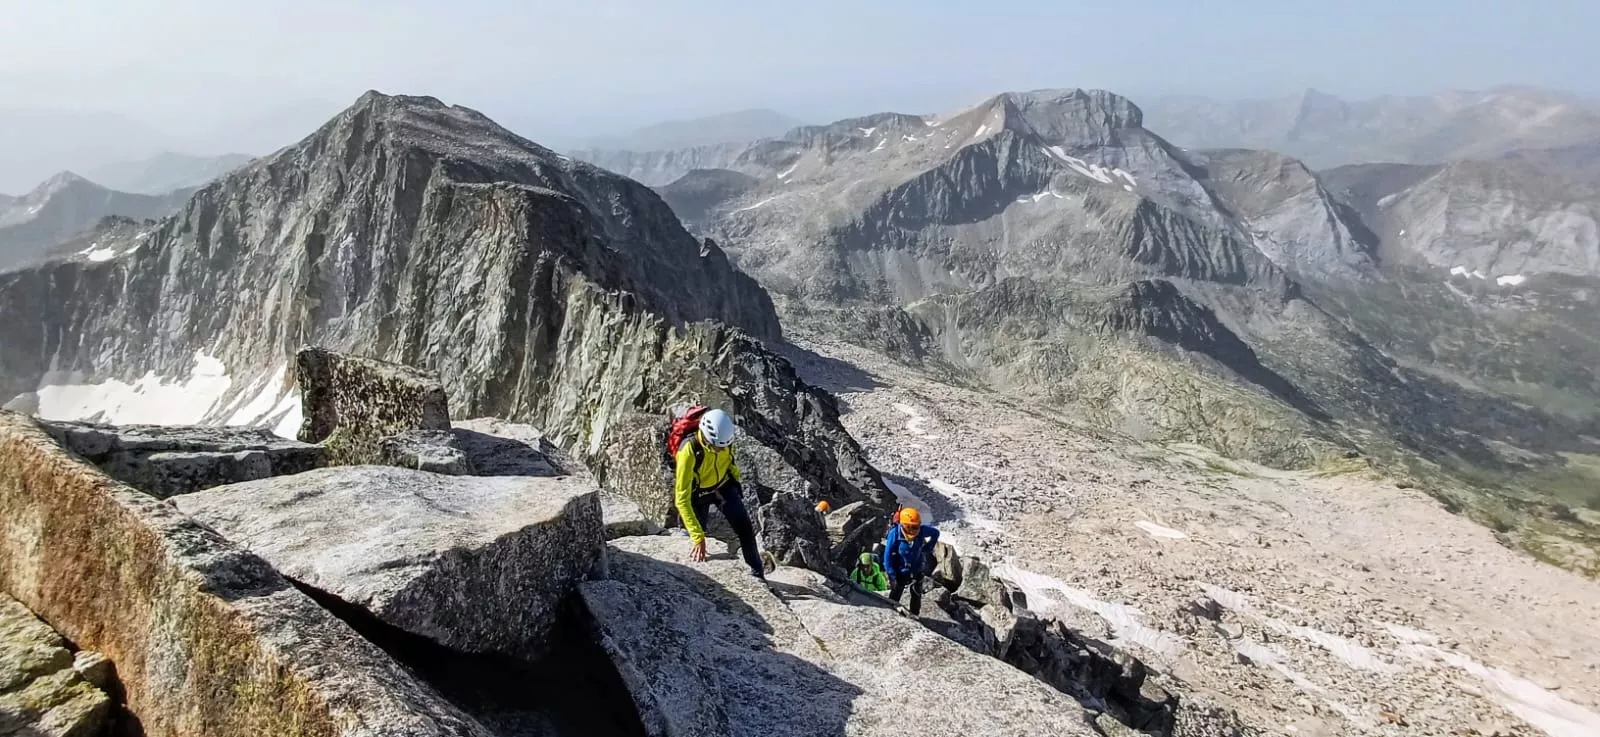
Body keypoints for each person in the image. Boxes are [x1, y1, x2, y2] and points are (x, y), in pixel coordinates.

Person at [675, 408, 766, 580]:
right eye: (717, 446)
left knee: (745, 530)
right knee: (692, 538)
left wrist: (735, 480)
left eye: (723, 446)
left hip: (721, 487)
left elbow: (729, 461)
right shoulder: (688, 451)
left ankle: (758, 574)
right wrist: (697, 536)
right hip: (697, 495)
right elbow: (681, 498)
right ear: (707, 438)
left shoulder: (724, 440)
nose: (720, 449)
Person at [881, 507, 939, 615]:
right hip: (900, 570)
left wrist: (928, 548)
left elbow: (935, 533)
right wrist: (891, 575)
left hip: (917, 568)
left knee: (916, 594)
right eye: (909, 527)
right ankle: (890, 613)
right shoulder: (894, 534)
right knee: (896, 593)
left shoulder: (921, 530)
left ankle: (914, 615)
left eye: (915, 527)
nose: (913, 530)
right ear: (902, 524)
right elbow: (887, 556)